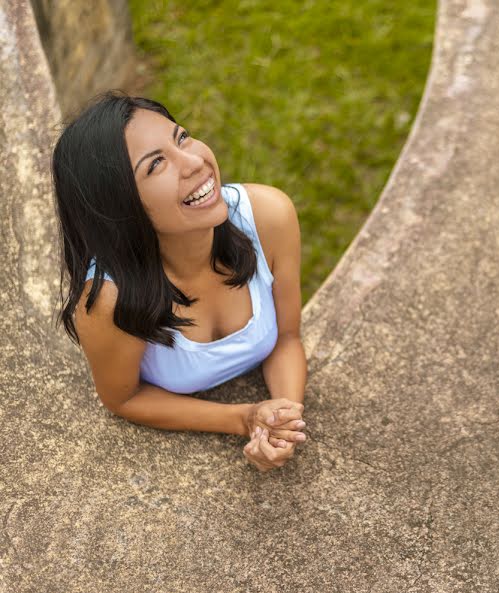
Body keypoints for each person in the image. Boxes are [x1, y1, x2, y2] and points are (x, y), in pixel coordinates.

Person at [53, 93, 308, 472]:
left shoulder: (270, 217)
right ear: (120, 208)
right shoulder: (109, 299)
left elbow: (287, 338)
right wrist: (242, 418)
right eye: (156, 164)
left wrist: (280, 424)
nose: (195, 162)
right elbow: (123, 398)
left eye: (182, 137)